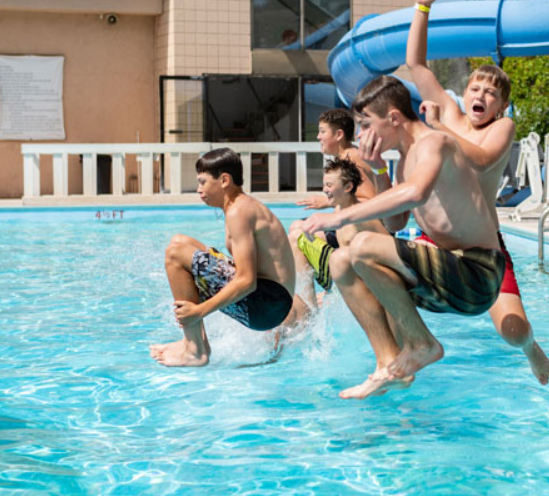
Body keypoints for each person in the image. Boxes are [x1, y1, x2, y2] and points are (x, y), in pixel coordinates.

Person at [301, 75, 506, 399]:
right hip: (450, 276)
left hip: (478, 273)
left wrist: (339, 214)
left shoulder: (436, 143)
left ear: (394, 118)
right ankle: (389, 364)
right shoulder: (405, 161)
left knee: (362, 245)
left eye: (367, 125)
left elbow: (416, 192)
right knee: (341, 261)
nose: (363, 135)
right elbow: (395, 223)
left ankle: (422, 344)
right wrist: (380, 170)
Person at [404, 0, 549, 384]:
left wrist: (437, 130)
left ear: (501, 106)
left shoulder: (500, 130)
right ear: (464, 93)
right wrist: (422, 7)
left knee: (512, 330)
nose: (480, 96)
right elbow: (415, 63)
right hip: (434, 235)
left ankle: (531, 348)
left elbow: (483, 160)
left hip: (482, 242)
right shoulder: (449, 114)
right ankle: (404, 350)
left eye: (490, 93)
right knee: (377, 269)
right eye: (475, 89)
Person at [150, 147, 306, 367]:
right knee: (182, 242)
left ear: (224, 180)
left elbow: (247, 281)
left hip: (265, 307)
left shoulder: (238, 212)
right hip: (274, 302)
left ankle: (195, 350)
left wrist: (198, 312)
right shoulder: (242, 205)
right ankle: (195, 342)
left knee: (175, 253)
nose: (198, 189)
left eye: (203, 182)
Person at [288, 108, 390, 311]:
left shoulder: (352, 158)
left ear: (338, 135)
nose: (318, 136)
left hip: (362, 236)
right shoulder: (345, 157)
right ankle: (321, 295)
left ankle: (311, 306)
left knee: (298, 235)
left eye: (322, 131)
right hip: (351, 233)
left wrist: (327, 203)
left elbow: (371, 202)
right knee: (299, 227)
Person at [294, 157, 392, 299]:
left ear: (348, 187)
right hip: (346, 275)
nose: (324, 190)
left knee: (297, 239)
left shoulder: (361, 215)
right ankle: (311, 303)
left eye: (329, 185)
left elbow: (388, 248)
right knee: (297, 238)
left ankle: (311, 309)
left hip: (366, 284)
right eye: (324, 185)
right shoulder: (339, 210)